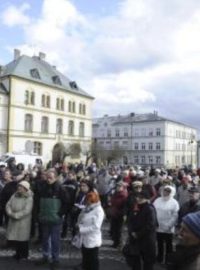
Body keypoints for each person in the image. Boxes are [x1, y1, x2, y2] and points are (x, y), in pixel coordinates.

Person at [35, 169, 70, 270]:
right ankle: (45, 256)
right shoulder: (43, 188)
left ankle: (55, 259)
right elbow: (38, 202)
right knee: (45, 239)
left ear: (55, 177)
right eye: (47, 177)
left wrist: (60, 214)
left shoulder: (61, 189)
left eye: (50, 177)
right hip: (45, 218)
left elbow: (67, 203)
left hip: (56, 219)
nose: (48, 179)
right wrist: (39, 214)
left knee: (55, 240)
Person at [127, 190, 157, 270]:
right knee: (135, 261)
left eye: (141, 198)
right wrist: (131, 231)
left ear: (147, 199)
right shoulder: (136, 207)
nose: (138, 199)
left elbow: (151, 225)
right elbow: (130, 220)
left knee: (148, 262)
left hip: (147, 240)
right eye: (138, 197)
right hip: (136, 239)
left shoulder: (150, 209)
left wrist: (138, 234)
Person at [75, 191, 104, 270]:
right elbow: (81, 218)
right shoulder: (87, 208)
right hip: (84, 238)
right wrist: (78, 224)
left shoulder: (99, 211)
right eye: (87, 201)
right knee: (85, 259)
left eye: (90, 202)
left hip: (92, 239)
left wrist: (81, 229)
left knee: (93, 261)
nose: (87, 203)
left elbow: (96, 227)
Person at [6, 181, 33, 260]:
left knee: (23, 239)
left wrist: (16, 215)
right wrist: (10, 213)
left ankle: (24, 254)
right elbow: (8, 204)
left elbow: (27, 210)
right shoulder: (14, 195)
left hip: (23, 221)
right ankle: (18, 253)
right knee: (16, 238)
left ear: (25, 188)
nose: (19, 188)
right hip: (13, 219)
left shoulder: (29, 198)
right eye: (19, 186)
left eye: (21, 187)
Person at [153, 185, 179, 264]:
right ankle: (159, 258)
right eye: (165, 190)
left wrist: (169, 226)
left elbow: (175, 216)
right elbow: (153, 211)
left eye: (168, 191)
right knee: (159, 243)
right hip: (158, 226)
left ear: (171, 193)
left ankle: (168, 260)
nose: (165, 192)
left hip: (168, 228)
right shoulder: (157, 200)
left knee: (169, 245)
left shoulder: (174, 203)